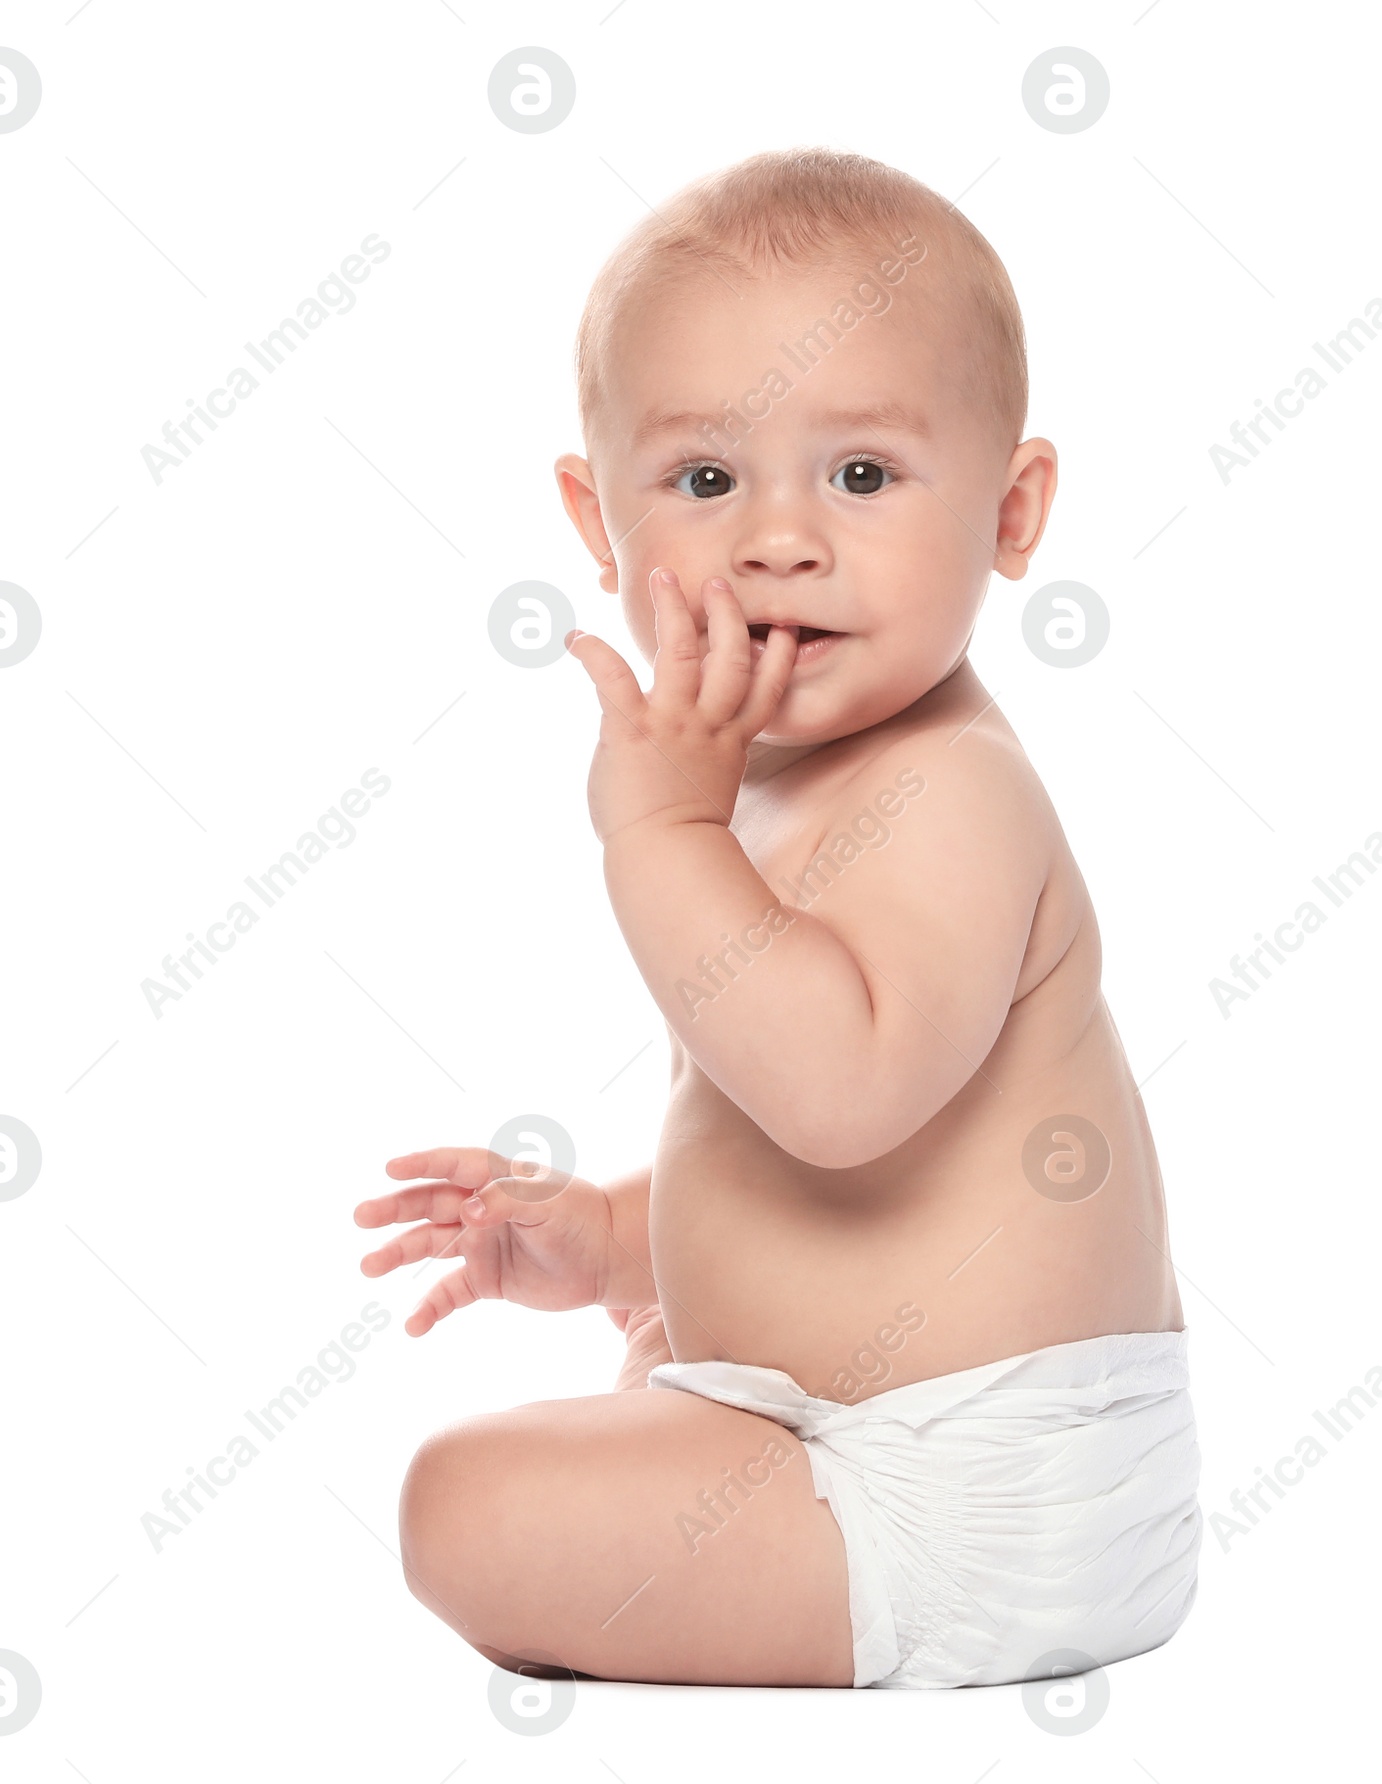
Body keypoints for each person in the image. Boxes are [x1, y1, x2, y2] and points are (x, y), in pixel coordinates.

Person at [353, 146, 1200, 1690]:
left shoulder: (953, 787)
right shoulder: (784, 786)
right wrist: (609, 1240)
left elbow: (839, 1097)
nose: (778, 539)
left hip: (972, 1489)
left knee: (461, 1503)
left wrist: (658, 829)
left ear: (1012, 512)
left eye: (862, 475)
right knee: (641, 1379)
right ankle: (685, 1376)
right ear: (597, 524)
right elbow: (768, 1142)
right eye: (703, 481)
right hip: (864, 1440)